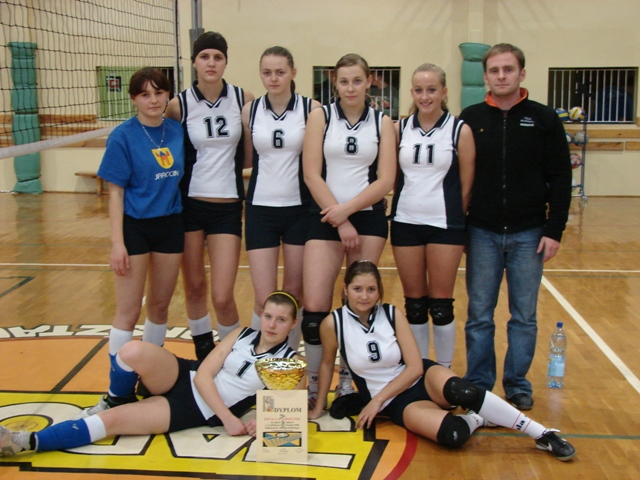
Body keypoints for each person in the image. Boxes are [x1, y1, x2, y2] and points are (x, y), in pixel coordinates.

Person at [308, 260, 576, 461]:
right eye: (357, 289)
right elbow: (327, 364)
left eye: (371, 289)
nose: (364, 296)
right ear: (345, 289)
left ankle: (543, 434)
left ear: (379, 291)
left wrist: (376, 401)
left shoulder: (391, 314)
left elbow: (415, 367)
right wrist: (319, 407)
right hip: (396, 402)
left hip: (419, 379)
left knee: (464, 390)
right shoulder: (333, 323)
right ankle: (476, 419)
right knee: (453, 435)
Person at [0, 292, 302, 456]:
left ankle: (24, 441)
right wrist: (228, 419)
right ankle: (116, 398)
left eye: (281, 320)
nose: (271, 325)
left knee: (111, 422)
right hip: (186, 376)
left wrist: (261, 422)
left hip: (195, 408)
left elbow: (291, 410)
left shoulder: (290, 362)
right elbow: (202, 375)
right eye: (268, 316)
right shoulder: (241, 334)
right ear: (260, 315)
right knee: (131, 352)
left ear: (292, 324)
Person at [459, 43, 572, 410]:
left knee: (524, 316)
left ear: (522, 73)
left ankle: (517, 383)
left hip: (530, 233)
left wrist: (554, 230)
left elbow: (561, 177)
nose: (501, 76)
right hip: (481, 231)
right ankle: (479, 383)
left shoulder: (543, 119)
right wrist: (460, 227)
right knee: (479, 315)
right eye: (494, 70)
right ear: (485, 76)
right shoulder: (470, 118)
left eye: (508, 69)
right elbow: (459, 176)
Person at [76, 68, 185, 417]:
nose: (153, 100)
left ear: (167, 95)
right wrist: (117, 243)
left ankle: (149, 381)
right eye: (145, 94)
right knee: (128, 311)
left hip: (170, 225)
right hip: (134, 228)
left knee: (160, 306)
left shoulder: (176, 131)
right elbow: (115, 192)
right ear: (134, 99)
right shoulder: (123, 136)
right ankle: (116, 392)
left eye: (159, 93)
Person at [301, 54, 396, 406]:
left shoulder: (382, 122)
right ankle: (314, 385)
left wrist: (348, 212)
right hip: (325, 216)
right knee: (315, 308)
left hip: (368, 219)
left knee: (359, 305)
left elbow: (386, 179)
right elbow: (311, 173)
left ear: (369, 81)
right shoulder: (321, 116)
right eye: (344, 81)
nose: (351, 88)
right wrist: (339, 218)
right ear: (335, 84)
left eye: (357, 80)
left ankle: (346, 381)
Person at [165, 32, 254, 362]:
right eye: (204, 57)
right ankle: (204, 352)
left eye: (217, 57)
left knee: (222, 295)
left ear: (226, 62)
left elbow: (249, 155)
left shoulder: (243, 98)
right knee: (194, 287)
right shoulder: (178, 104)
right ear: (194, 62)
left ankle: (234, 358)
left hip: (227, 207)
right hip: (189, 206)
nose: (211, 63)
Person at [389, 64, 475, 367]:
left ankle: (444, 371)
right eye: (419, 90)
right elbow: (392, 177)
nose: (425, 96)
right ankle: (420, 370)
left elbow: (466, 184)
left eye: (431, 89)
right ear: (412, 92)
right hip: (405, 223)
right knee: (414, 305)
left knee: (440, 305)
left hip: (444, 225)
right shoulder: (399, 129)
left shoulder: (459, 130)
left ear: (444, 92)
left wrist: (454, 218)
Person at [241, 46, 321, 352]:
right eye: (267, 72)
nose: (273, 78)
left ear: (293, 73)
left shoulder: (311, 109)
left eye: (280, 72)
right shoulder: (250, 110)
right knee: (264, 299)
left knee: (293, 294)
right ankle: (256, 362)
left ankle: (285, 361)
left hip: (300, 210)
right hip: (260, 210)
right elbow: (247, 158)